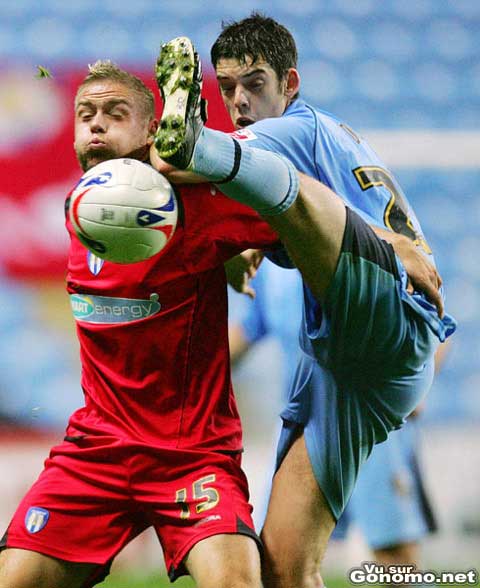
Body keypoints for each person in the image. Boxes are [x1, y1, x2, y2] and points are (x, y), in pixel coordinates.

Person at [153, 20, 456, 587]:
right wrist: (241, 243)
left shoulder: (288, 130)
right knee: (284, 567)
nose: (241, 100)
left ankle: (195, 133)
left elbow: (170, 165)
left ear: (289, 82)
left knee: (397, 561)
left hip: (387, 315)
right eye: (228, 88)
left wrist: (390, 244)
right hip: (341, 364)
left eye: (255, 83)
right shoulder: (303, 146)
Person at [0, 60, 282, 588]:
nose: (96, 125)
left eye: (114, 113)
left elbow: (289, 202)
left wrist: (242, 246)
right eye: (86, 115)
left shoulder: (202, 207)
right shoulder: (79, 208)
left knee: (236, 582)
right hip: (96, 451)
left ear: (153, 128)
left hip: (192, 456)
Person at [229, 260, 437, 576]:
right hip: (300, 423)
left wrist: (414, 385)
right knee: (275, 556)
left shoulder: (362, 240)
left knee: (395, 557)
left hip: (370, 419)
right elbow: (248, 329)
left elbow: (435, 321)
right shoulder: (270, 267)